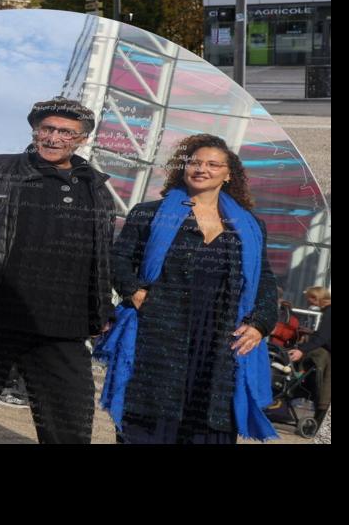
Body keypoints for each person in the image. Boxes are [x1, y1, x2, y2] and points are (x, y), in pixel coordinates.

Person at [0, 97, 116, 443]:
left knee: (71, 428)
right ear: (35, 131)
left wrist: (101, 308)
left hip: (62, 328)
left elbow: (102, 256)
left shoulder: (97, 189)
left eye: (66, 132)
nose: (54, 138)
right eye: (47, 128)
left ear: (82, 139)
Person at [98, 134, 280, 443]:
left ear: (228, 173)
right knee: (147, 419)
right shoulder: (150, 213)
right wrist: (135, 292)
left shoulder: (249, 225)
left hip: (220, 336)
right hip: (158, 331)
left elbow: (264, 279)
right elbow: (117, 259)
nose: (201, 169)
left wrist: (260, 324)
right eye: (195, 162)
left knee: (209, 423)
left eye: (212, 164)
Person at [287, 285, 331, 413]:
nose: (307, 302)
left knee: (326, 384)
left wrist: (302, 350)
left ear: (315, 298)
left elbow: (322, 337)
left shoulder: (329, 311)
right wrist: (312, 332)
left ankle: (320, 414)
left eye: (309, 299)